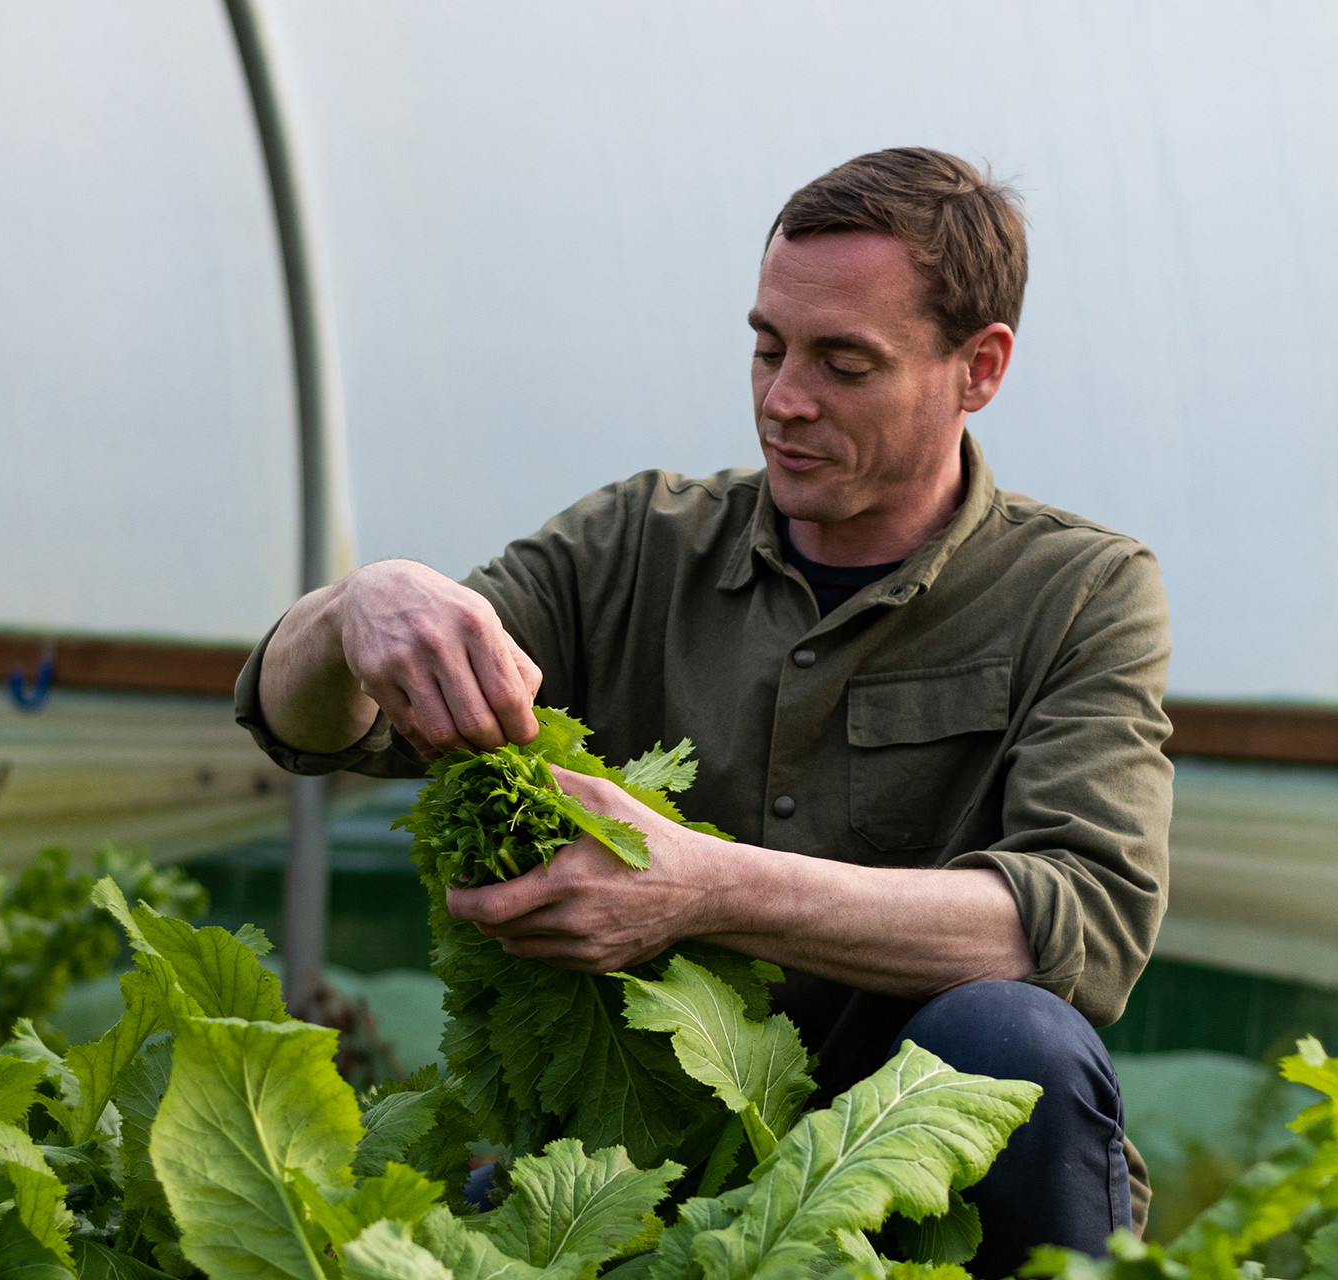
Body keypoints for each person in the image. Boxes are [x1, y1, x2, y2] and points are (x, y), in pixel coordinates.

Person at [237, 147, 1172, 1274]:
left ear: (979, 367)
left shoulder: (1081, 592)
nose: (783, 400)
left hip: (932, 1186)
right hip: (645, 1180)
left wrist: (703, 888)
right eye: (768, 346)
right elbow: (313, 724)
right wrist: (355, 608)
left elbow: (1082, 922)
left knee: (1011, 1038)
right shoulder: (635, 547)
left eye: (844, 362)